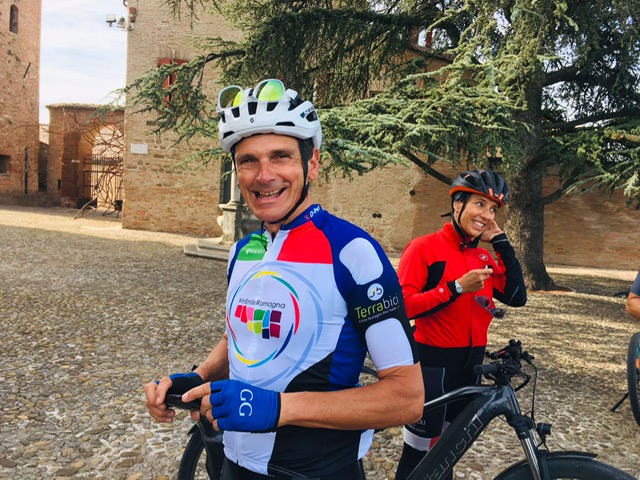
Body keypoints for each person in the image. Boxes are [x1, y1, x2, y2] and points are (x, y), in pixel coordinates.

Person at [144, 78, 424, 479]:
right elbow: (244, 337)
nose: (264, 175)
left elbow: (407, 397)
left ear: (313, 163)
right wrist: (199, 377)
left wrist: (279, 409)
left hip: (316, 471)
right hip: (234, 465)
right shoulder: (243, 250)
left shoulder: (354, 252)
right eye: (248, 161)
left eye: (280, 156)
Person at [394, 169, 528, 480]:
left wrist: (501, 242)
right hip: (432, 368)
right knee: (417, 455)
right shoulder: (423, 248)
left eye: (493, 209)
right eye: (480, 204)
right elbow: (403, 307)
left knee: (449, 452)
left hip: (470, 368)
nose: (487, 215)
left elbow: (517, 296)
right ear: (458, 204)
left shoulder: (483, 257)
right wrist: (455, 288)